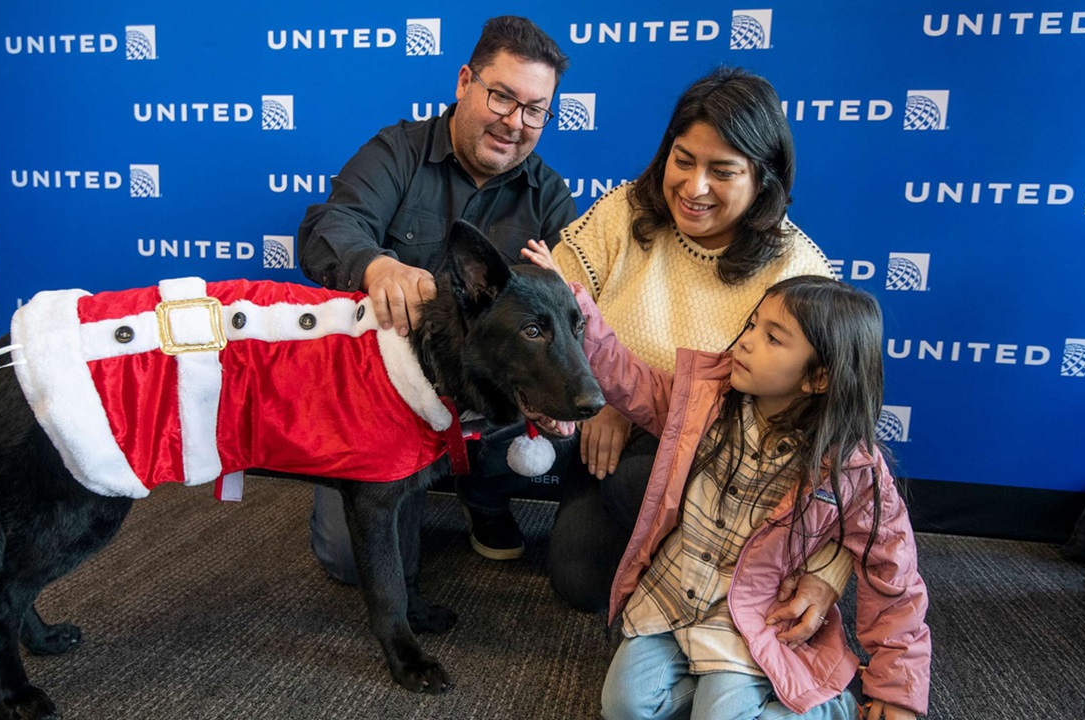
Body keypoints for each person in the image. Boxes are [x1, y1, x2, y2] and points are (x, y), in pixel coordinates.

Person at [526, 249, 932, 720]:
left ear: (818, 378)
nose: (745, 342)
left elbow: (895, 583)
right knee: (626, 707)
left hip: (752, 615)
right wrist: (568, 304)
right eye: (753, 324)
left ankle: (829, 707)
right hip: (674, 594)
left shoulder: (853, 469)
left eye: (773, 338)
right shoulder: (705, 399)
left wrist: (895, 692)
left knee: (719, 715)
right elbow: (626, 378)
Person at [543, 67, 852, 626]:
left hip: (728, 465)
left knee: (641, 483)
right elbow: (554, 304)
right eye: (682, 160)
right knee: (579, 577)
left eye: (722, 171)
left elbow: (841, 438)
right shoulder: (624, 211)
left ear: (764, 178)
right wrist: (600, 396)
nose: (694, 187)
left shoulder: (800, 270)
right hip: (612, 436)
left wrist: (830, 566)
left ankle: (725, 577)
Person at [297, 16, 578, 581]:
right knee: (349, 562)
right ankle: (394, 496)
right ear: (464, 82)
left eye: (535, 110)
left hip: (485, 396)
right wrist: (375, 265)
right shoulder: (395, 152)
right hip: (384, 393)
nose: (514, 122)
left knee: (569, 395)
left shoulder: (548, 194)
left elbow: (571, 312)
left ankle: (487, 499)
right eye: (502, 97)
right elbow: (331, 225)